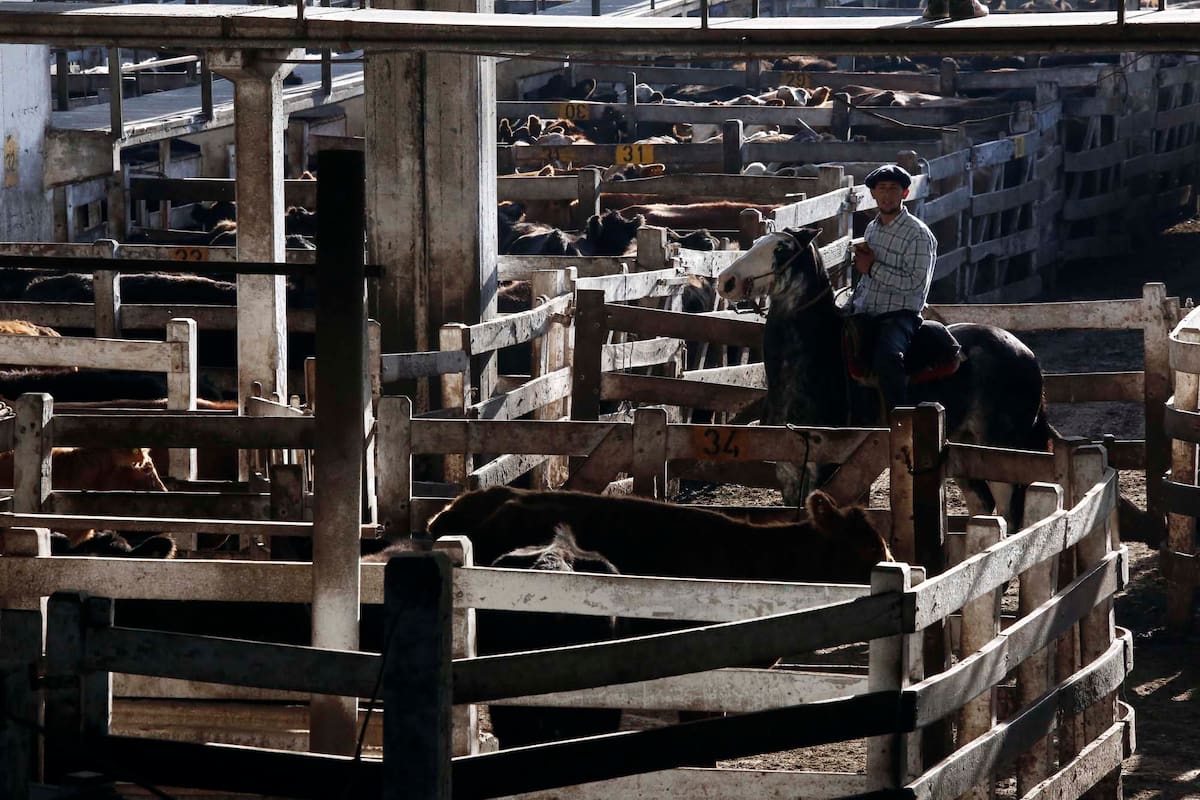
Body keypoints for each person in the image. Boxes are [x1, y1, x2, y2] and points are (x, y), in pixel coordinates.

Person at [849, 163, 938, 412]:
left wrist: (871, 268)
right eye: (882, 189)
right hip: (866, 310)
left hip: (900, 315)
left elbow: (916, 284)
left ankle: (899, 419)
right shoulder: (872, 228)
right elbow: (867, 278)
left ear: (905, 194)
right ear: (873, 194)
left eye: (893, 189)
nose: (887, 194)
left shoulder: (918, 234)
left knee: (888, 359)